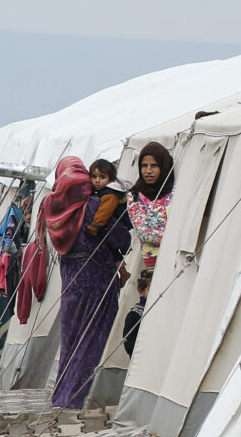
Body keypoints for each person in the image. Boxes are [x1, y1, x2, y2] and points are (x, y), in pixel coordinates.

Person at [49, 154, 134, 409]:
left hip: (69, 283)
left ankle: (61, 396)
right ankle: (74, 399)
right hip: (97, 282)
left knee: (71, 341)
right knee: (91, 340)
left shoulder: (54, 210)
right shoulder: (93, 207)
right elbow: (122, 240)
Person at [120, 142, 174, 359]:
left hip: (173, 262)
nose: (148, 170)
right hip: (152, 264)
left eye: (154, 165)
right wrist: (169, 235)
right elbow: (144, 230)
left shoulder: (174, 191)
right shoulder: (134, 195)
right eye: (144, 165)